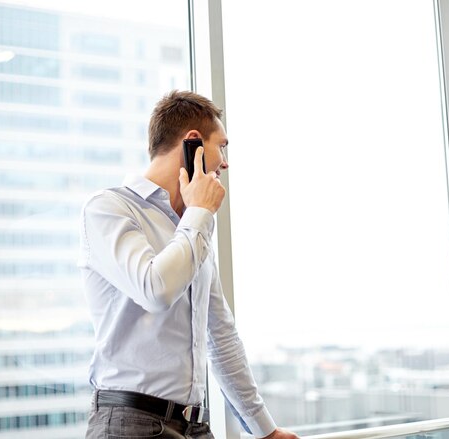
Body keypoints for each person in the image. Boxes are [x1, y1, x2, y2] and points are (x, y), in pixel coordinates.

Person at [78, 90, 299, 439]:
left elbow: (221, 336)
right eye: (221, 146)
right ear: (192, 144)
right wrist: (198, 213)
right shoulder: (109, 208)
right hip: (130, 424)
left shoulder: (191, 229)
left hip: (193, 425)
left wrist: (265, 431)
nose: (224, 162)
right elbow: (155, 289)